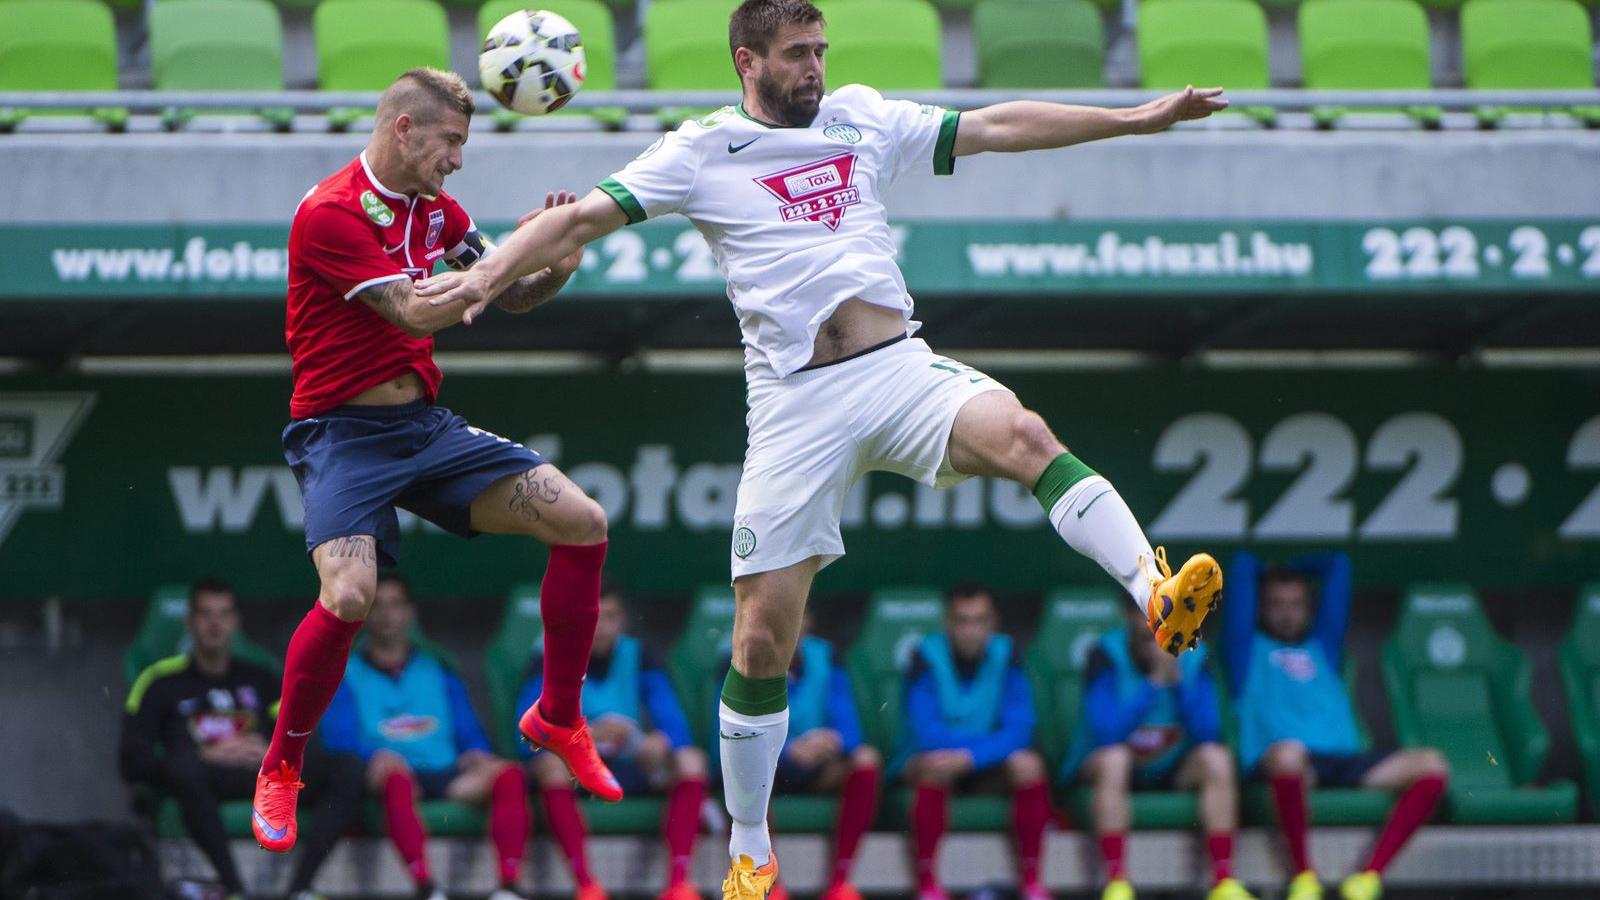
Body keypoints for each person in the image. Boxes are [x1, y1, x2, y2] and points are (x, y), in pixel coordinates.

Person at [416, 1, 1230, 892]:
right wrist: (484, 279)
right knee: (762, 639)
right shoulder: (700, 149)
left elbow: (996, 124)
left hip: (897, 369)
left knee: (1027, 434)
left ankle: (1155, 592)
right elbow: (575, 225)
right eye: (798, 54)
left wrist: (1139, 117)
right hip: (796, 408)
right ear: (747, 61)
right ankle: (750, 847)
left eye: (821, 51)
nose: (816, 66)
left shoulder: (861, 117)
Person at [255, 66, 618, 856]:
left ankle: (558, 715)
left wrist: (552, 266)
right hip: (340, 435)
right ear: (403, 129)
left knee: (584, 522)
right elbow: (418, 307)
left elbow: (502, 299)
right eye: (450, 141)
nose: (458, 159)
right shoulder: (330, 213)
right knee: (351, 595)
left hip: (424, 429)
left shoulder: (440, 212)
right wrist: (502, 266)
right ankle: (282, 764)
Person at [120, 577, 364, 900]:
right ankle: (234, 889)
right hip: (204, 780)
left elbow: (304, 738)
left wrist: (272, 750)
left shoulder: (261, 676)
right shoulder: (160, 682)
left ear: (236, 621)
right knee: (184, 769)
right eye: (206, 614)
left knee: (346, 769)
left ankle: (300, 889)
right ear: (189, 622)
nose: (215, 624)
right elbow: (131, 759)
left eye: (223, 614)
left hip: (264, 775)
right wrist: (202, 754)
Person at [1223, 553, 1450, 900]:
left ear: (1309, 608)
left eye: (1296, 603)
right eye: (1276, 603)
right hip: (1287, 762)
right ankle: (1303, 877)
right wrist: (1267, 570)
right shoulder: (1246, 651)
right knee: (1287, 755)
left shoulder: (1323, 647)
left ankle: (1369, 877)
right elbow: (1240, 565)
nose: (1287, 612)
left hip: (1342, 762)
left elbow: (1339, 565)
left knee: (1432, 765)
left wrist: (1291, 568)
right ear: (1261, 608)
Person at [320, 575, 529, 900]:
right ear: (364, 614)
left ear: (410, 613)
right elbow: (340, 743)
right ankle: (426, 887)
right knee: (393, 778)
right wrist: (372, 757)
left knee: (508, 774)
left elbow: (469, 731)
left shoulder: (437, 668)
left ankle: (509, 887)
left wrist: (476, 752)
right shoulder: (346, 673)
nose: (388, 614)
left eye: (396, 605)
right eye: (378, 606)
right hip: (391, 776)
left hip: (447, 773)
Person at [514, 582, 708, 900]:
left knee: (690, 760)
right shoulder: (550, 658)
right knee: (549, 766)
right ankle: (586, 885)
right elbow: (526, 735)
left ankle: (679, 883)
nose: (601, 627)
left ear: (623, 621)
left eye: (611, 617)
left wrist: (661, 740)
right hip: (576, 772)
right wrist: (583, 736)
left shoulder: (638, 655)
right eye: (594, 617)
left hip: (629, 764)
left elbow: (675, 723)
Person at [1059, 605, 1251, 900]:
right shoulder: (1105, 654)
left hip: (1173, 766)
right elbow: (1106, 733)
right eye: (1146, 612)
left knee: (1217, 759)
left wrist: (1177, 685)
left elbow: (1208, 732)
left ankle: (1223, 881)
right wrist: (1152, 684)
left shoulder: (1194, 653)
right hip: (1116, 766)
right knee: (1114, 759)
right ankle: (1117, 883)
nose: (1158, 623)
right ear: (1130, 615)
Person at [893, 585, 1050, 900]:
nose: (970, 631)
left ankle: (1032, 883)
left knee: (1029, 765)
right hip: (933, 762)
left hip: (985, 765)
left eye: (979, 620)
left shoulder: (1008, 653)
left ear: (993, 622)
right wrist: (970, 754)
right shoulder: (924, 654)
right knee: (933, 765)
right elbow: (926, 732)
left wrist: (972, 757)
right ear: (948, 623)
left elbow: (1020, 729)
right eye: (962, 621)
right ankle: (928, 886)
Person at [733, 610, 881, 900]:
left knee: (866, 759)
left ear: (807, 625)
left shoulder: (826, 657)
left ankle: (841, 882)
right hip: (767, 774)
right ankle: (770, 884)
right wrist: (787, 752)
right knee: (745, 769)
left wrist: (833, 740)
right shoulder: (739, 660)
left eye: (795, 622)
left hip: (817, 768)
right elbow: (726, 739)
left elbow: (850, 727)